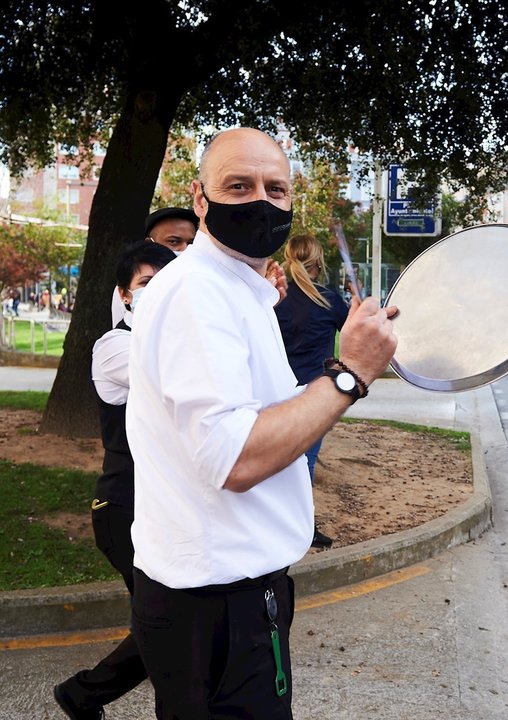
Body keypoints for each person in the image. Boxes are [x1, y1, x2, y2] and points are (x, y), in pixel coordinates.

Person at [126, 126, 397, 718]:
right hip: (220, 606)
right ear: (201, 200)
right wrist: (349, 375)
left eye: (277, 190)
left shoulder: (232, 288)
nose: (261, 202)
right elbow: (237, 456)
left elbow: (261, 413)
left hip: (220, 598)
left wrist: (345, 362)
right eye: (238, 185)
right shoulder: (199, 292)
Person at [53, 241, 178, 720]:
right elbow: (172, 374)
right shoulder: (114, 347)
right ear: (125, 296)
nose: (157, 292)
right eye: (147, 284)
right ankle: (83, 693)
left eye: (167, 282)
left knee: (169, 620)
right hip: (122, 509)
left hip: (161, 509)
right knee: (165, 621)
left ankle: (83, 695)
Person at [274, 233, 350, 549]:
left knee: (275, 460)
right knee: (305, 462)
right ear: (319, 262)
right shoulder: (329, 300)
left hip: (275, 390)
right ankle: (302, 529)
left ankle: (280, 524)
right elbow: (355, 333)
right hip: (313, 394)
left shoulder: (273, 298)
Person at [110, 207, 199, 325]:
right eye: (173, 241)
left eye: (190, 243)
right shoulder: (132, 290)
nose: (184, 249)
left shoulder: (200, 280)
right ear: (149, 243)